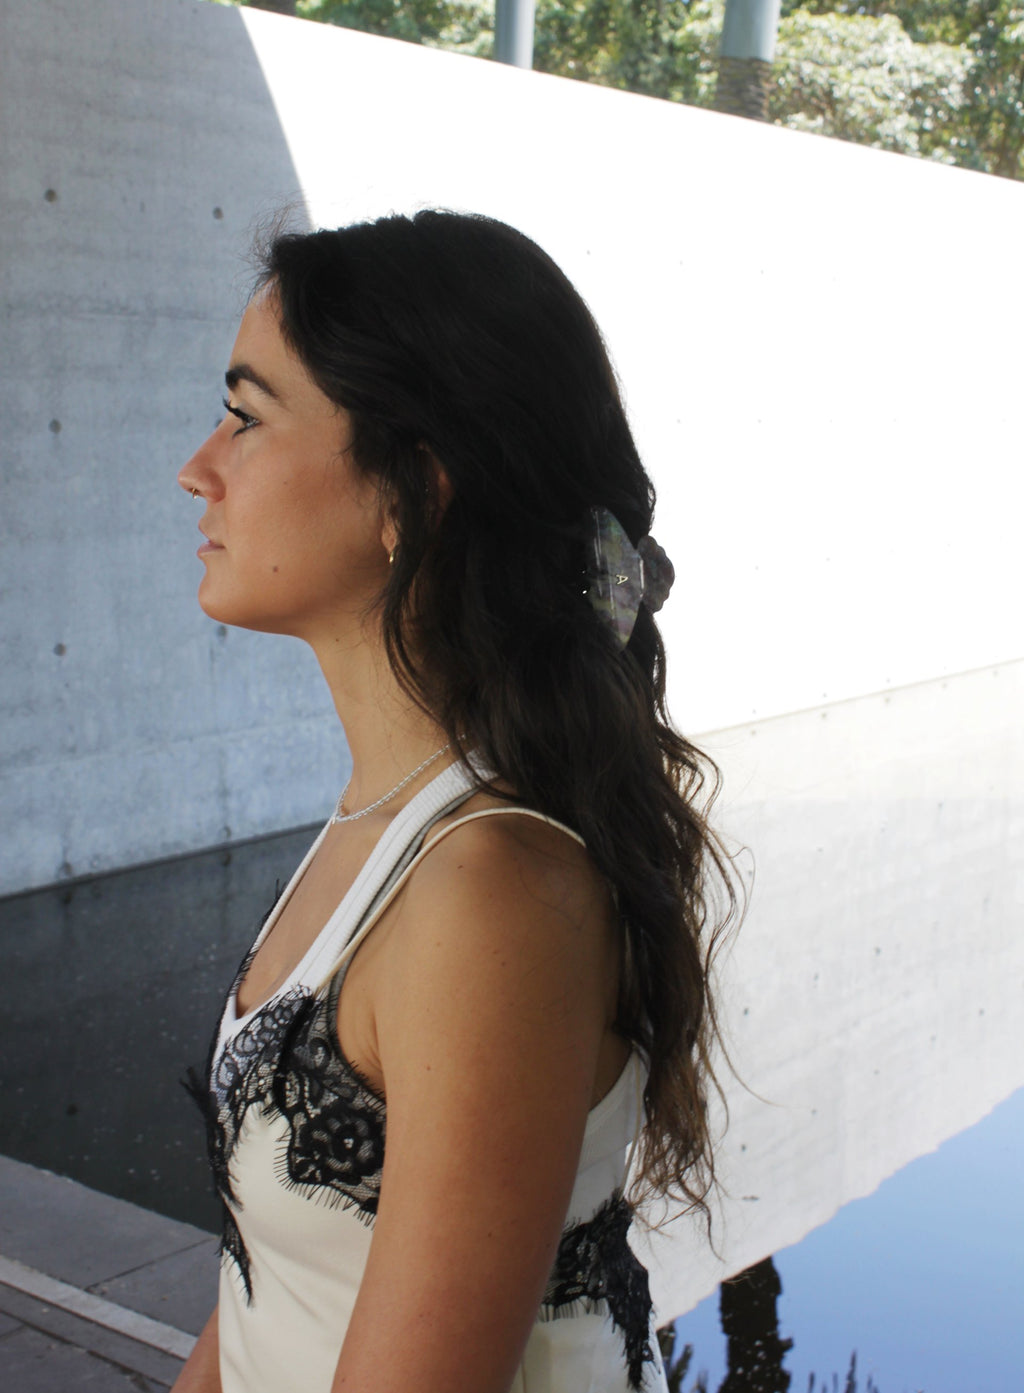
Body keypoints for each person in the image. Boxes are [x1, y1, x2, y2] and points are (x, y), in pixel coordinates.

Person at [174, 209, 738, 1393]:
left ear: (412, 493)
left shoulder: (491, 889)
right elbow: (266, 1285)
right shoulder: (383, 827)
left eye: (246, 415)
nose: (199, 467)